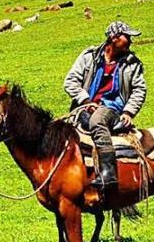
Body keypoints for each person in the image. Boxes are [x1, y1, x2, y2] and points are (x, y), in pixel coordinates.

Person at [63, 21, 147, 193]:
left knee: (97, 120)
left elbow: (139, 89)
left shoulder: (132, 63)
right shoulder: (89, 56)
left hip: (112, 108)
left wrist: (128, 111)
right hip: (84, 105)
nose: (130, 41)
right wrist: (86, 101)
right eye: (127, 36)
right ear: (113, 38)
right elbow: (70, 81)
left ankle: (109, 172)